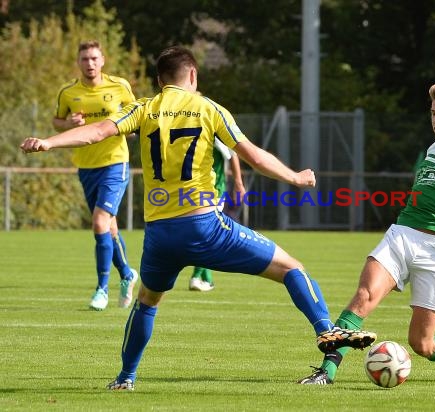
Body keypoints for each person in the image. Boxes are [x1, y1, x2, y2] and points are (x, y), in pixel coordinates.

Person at [21, 45, 377, 391]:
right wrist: (296, 178)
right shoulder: (208, 108)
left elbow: (98, 133)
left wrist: (50, 142)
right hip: (205, 226)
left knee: (147, 300)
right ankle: (324, 328)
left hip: (159, 234)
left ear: (160, 81)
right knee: (291, 268)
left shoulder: (143, 108)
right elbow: (252, 156)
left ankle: (125, 377)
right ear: (192, 74)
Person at [298, 82, 435, 385]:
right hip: (403, 234)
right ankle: (326, 372)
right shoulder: (434, 149)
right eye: (433, 113)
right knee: (363, 296)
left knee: (422, 343)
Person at [52, 40, 138, 311]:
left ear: (103, 60)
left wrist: (128, 128)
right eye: (84, 59)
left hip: (115, 162)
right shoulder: (68, 92)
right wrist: (67, 124)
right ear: (78, 62)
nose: (89, 63)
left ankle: (102, 288)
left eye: (94, 58)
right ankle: (127, 273)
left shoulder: (119, 86)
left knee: (100, 222)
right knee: (108, 227)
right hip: (86, 166)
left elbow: (137, 117)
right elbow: (57, 120)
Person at [189, 137, 245, 292]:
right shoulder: (214, 127)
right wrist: (239, 183)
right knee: (205, 235)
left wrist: (238, 183)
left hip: (194, 190)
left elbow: (231, 154)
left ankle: (206, 279)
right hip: (212, 191)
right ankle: (197, 277)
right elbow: (233, 155)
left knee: (202, 234)